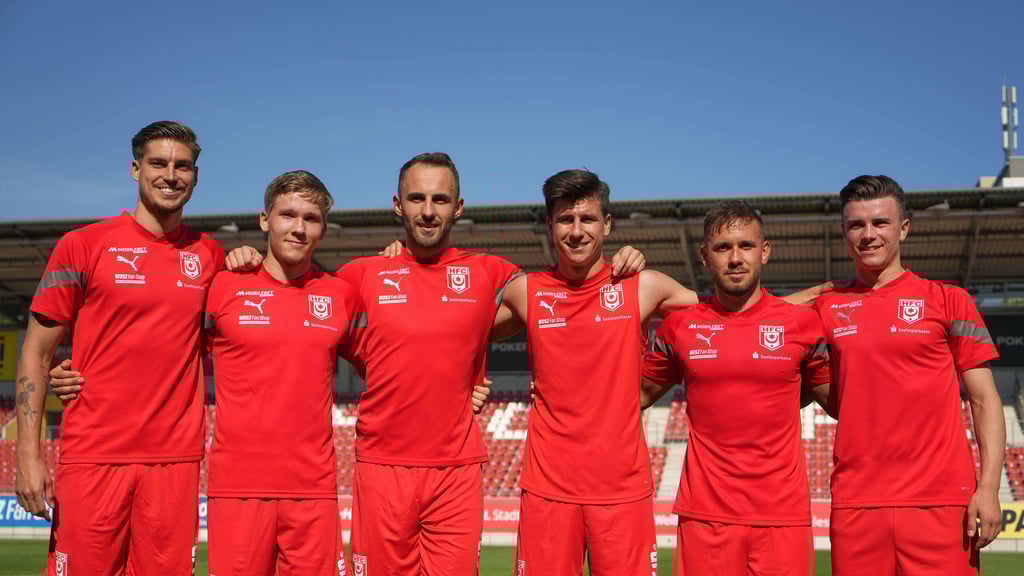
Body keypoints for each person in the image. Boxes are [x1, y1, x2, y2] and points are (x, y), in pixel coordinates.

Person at [493, 174, 825, 575]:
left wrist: (811, 298)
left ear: (607, 224)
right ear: (549, 225)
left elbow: (730, 308)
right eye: (565, 220)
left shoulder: (643, 285)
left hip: (623, 489)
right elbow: (459, 333)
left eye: (588, 219)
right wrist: (473, 383)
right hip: (546, 487)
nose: (577, 231)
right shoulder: (527, 291)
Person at [16, 121, 226, 574]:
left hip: (174, 462)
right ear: (135, 169)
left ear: (195, 176)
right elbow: (36, 351)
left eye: (182, 166)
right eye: (158, 163)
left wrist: (251, 260)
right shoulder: (82, 245)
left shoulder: (212, 256)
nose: (170, 175)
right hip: (94, 455)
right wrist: (28, 456)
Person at [814, 175, 1005, 575]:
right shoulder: (826, 309)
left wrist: (988, 487)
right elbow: (762, 313)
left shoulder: (949, 301)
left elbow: (984, 400)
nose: (868, 234)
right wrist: (821, 290)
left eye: (880, 222)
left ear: (903, 228)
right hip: (856, 504)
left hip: (941, 502)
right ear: (844, 233)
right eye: (856, 225)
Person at [640, 199, 830, 575]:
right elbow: (636, 395)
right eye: (723, 247)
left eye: (746, 246)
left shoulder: (802, 325)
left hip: (782, 516)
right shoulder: (680, 326)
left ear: (764, 251)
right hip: (704, 516)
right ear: (704, 256)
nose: (735, 258)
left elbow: (842, 401)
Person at [203, 170, 358, 576]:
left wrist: (467, 383)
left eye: (311, 218)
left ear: (323, 229)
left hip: (313, 491)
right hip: (237, 489)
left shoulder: (340, 294)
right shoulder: (223, 286)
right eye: (288, 215)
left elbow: (389, 362)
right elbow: (167, 352)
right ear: (264, 220)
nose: (299, 228)